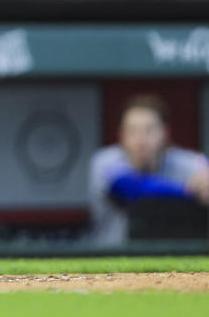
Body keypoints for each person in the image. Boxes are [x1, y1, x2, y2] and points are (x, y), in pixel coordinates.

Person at [89, 95, 209, 245]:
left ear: (165, 133)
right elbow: (135, 190)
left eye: (149, 130)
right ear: (121, 134)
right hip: (109, 257)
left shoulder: (188, 162)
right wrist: (190, 192)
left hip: (172, 256)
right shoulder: (105, 161)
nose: (140, 140)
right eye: (132, 131)